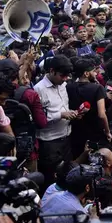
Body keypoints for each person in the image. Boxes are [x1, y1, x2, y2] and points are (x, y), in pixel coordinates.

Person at [34, 55, 79, 185]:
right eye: (62, 75)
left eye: (66, 76)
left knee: (67, 175)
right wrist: (61, 115)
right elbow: (39, 118)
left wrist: (73, 114)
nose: (64, 79)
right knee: (51, 177)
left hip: (65, 137)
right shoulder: (39, 89)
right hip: (50, 143)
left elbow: (64, 107)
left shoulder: (63, 85)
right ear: (52, 71)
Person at [67, 57, 111, 158]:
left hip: (76, 134)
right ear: (86, 73)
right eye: (93, 71)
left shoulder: (68, 87)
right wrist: (108, 132)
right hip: (95, 135)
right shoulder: (97, 88)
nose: (96, 74)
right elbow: (101, 114)